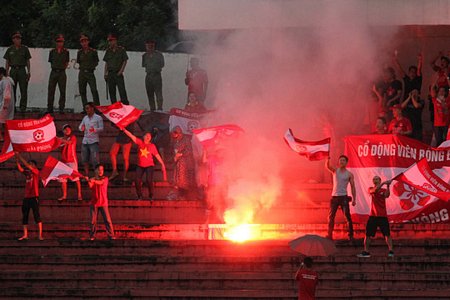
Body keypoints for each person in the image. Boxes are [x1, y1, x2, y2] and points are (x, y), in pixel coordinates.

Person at [122, 127, 167, 200]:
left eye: (149, 136)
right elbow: (131, 135)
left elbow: (157, 155)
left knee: (149, 180)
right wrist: (124, 130)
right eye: (146, 135)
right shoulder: (140, 142)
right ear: (143, 137)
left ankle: (151, 195)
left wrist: (162, 164)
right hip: (140, 165)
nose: (148, 137)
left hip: (149, 165)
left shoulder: (152, 146)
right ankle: (139, 196)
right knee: (137, 180)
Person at [357, 176, 394, 258]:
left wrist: (388, 186)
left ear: (379, 180)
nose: (375, 180)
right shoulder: (370, 189)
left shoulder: (383, 190)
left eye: (377, 179)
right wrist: (384, 183)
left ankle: (391, 251)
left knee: (387, 234)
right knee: (367, 234)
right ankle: (366, 251)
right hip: (373, 215)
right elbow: (375, 190)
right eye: (374, 179)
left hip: (383, 216)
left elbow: (387, 195)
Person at [326, 155, 356, 241]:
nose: (341, 162)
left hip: (344, 197)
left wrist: (354, 199)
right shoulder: (335, 171)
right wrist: (327, 159)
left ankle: (350, 236)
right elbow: (328, 166)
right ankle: (329, 235)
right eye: (340, 160)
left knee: (347, 216)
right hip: (334, 197)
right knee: (331, 216)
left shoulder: (349, 174)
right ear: (339, 162)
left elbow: (353, 187)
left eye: (343, 160)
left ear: (346, 162)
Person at [15, 152, 43, 241]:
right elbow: (20, 169)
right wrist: (17, 160)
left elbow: (27, 166)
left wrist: (20, 156)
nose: (30, 165)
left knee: (36, 216)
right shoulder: (28, 173)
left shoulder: (36, 172)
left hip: (34, 196)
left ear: (34, 165)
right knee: (25, 216)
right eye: (29, 163)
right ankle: (25, 235)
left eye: (31, 164)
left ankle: (40, 235)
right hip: (26, 197)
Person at [3, 31, 31, 113]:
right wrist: (6, 73)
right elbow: (7, 62)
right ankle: (12, 107)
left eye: (19, 39)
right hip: (13, 70)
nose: (18, 40)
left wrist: (28, 72)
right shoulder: (10, 49)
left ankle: (23, 108)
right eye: (16, 38)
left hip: (22, 70)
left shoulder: (25, 49)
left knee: (23, 90)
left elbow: (28, 61)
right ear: (13, 40)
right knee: (12, 90)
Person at [87, 164, 115, 240]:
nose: (100, 171)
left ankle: (111, 235)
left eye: (102, 170)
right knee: (93, 221)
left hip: (103, 202)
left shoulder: (105, 178)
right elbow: (90, 185)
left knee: (107, 220)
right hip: (94, 203)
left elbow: (101, 182)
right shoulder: (93, 179)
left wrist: (93, 180)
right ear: (95, 170)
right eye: (99, 169)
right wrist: (88, 180)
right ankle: (92, 236)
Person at [171, 126, 197, 199]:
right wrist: (175, 157)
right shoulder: (175, 141)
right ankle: (181, 195)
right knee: (179, 181)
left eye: (175, 133)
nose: (174, 135)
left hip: (186, 163)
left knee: (185, 180)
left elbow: (189, 150)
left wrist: (181, 154)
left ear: (179, 133)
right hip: (178, 163)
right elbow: (174, 151)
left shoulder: (186, 139)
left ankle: (186, 196)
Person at [58, 124, 82, 201]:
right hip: (64, 161)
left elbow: (69, 142)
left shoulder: (72, 137)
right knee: (63, 179)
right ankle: (64, 196)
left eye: (69, 129)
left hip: (72, 160)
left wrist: (58, 139)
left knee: (75, 178)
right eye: (65, 129)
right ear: (63, 131)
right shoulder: (60, 140)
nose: (67, 130)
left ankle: (79, 195)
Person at [79, 102, 103, 176]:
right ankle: (87, 175)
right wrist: (81, 128)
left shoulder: (98, 118)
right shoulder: (85, 118)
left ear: (92, 108)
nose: (87, 110)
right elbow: (80, 126)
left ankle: (97, 175)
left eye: (88, 108)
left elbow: (101, 128)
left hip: (94, 141)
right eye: (86, 108)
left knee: (95, 160)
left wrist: (94, 129)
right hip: (85, 141)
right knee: (84, 160)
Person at [103, 34, 129, 104]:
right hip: (110, 73)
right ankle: (114, 107)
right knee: (112, 91)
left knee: (122, 91)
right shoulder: (108, 51)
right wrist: (105, 73)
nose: (110, 43)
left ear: (115, 41)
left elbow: (125, 60)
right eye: (109, 41)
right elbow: (106, 63)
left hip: (118, 73)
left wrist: (121, 71)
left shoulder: (121, 50)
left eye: (111, 41)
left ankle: (125, 106)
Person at [47, 34, 70, 113]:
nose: (60, 43)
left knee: (62, 91)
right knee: (51, 90)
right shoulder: (52, 52)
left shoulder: (66, 52)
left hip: (61, 72)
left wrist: (62, 68)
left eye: (61, 42)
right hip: (53, 71)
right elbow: (51, 62)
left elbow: (67, 62)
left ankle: (61, 108)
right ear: (56, 42)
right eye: (58, 42)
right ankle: (50, 108)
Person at [77, 34, 100, 108]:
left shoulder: (93, 52)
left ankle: (97, 107)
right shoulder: (79, 52)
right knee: (82, 91)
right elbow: (79, 61)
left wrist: (91, 67)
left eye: (85, 41)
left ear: (88, 42)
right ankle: (85, 108)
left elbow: (96, 62)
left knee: (94, 90)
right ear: (81, 43)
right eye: (82, 42)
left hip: (90, 73)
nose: (84, 43)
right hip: (82, 73)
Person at [142, 39, 164, 111]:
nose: (149, 46)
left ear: (154, 45)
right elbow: (144, 65)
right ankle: (152, 109)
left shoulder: (159, 55)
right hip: (148, 76)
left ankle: (160, 109)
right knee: (150, 94)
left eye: (151, 45)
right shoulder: (144, 55)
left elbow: (162, 64)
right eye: (148, 45)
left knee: (158, 94)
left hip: (156, 75)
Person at [0, 67, 14, 142]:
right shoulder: (7, 81)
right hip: (7, 104)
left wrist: (4, 106)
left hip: (5, 104)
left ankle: (1, 137)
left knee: (2, 120)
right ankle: (6, 135)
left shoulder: (5, 82)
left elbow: (7, 95)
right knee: (5, 121)